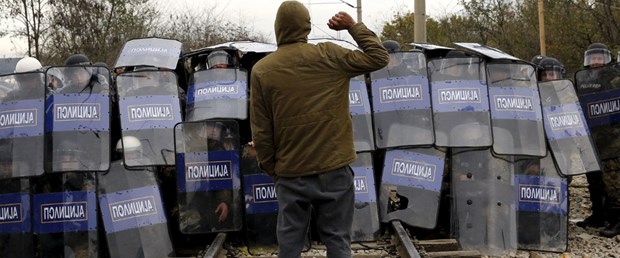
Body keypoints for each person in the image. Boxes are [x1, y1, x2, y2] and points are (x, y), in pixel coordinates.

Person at [249, 1, 389, 257]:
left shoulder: (262, 71)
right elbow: (379, 57)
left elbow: (261, 130)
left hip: (291, 172)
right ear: (306, 27)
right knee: (337, 240)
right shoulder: (330, 55)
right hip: (334, 169)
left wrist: (273, 170)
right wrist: (353, 26)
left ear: (278, 27)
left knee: (289, 244)